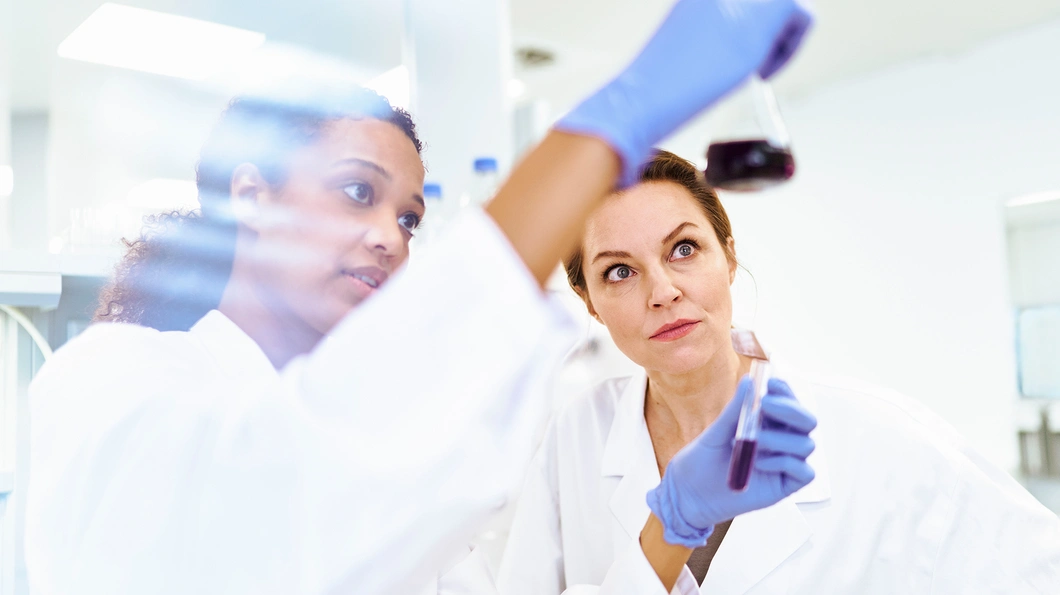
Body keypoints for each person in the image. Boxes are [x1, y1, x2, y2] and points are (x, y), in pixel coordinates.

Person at [23, 1, 815, 594]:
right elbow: (281, 516)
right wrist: (610, 124)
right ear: (252, 196)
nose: (390, 237)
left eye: (408, 216)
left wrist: (670, 525)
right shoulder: (114, 380)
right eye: (356, 192)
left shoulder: (391, 438)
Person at [496, 150, 1060, 595]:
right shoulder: (574, 439)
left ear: (729, 256)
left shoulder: (877, 435)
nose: (663, 292)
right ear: (588, 299)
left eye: (684, 250)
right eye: (619, 271)